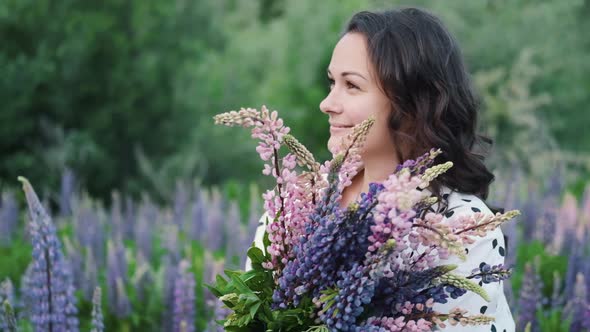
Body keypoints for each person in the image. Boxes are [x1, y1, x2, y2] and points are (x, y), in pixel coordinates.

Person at [245, 7, 515, 332]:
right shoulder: (296, 203)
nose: (327, 103)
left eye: (352, 86)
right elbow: (251, 311)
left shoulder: (462, 227)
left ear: (411, 104)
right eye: (332, 82)